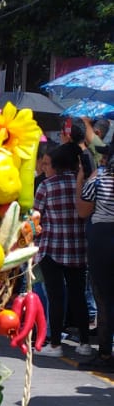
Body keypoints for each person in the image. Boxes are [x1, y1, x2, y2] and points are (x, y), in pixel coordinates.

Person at [34, 141, 92, 359]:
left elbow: (35, 219)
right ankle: (85, 343)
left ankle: (56, 344)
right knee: (78, 296)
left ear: (56, 165)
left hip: (52, 249)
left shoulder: (46, 186)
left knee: (56, 297)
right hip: (78, 249)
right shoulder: (83, 185)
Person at [77, 145, 114, 370]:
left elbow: (83, 211)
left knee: (104, 300)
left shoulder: (99, 179)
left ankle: (105, 355)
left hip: (103, 240)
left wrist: (82, 177)